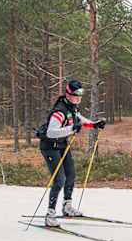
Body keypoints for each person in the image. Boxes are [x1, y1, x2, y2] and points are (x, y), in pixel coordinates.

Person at [38, 79, 106, 226]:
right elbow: (51, 132)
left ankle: (67, 207)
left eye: (81, 94)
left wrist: (95, 124)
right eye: (76, 94)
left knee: (71, 174)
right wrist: (71, 129)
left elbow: (80, 120)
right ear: (68, 95)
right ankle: (50, 214)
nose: (79, 97)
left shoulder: (73, 108)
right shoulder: (60, 111)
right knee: (59, 179)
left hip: (62, 145)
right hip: (50, 146)